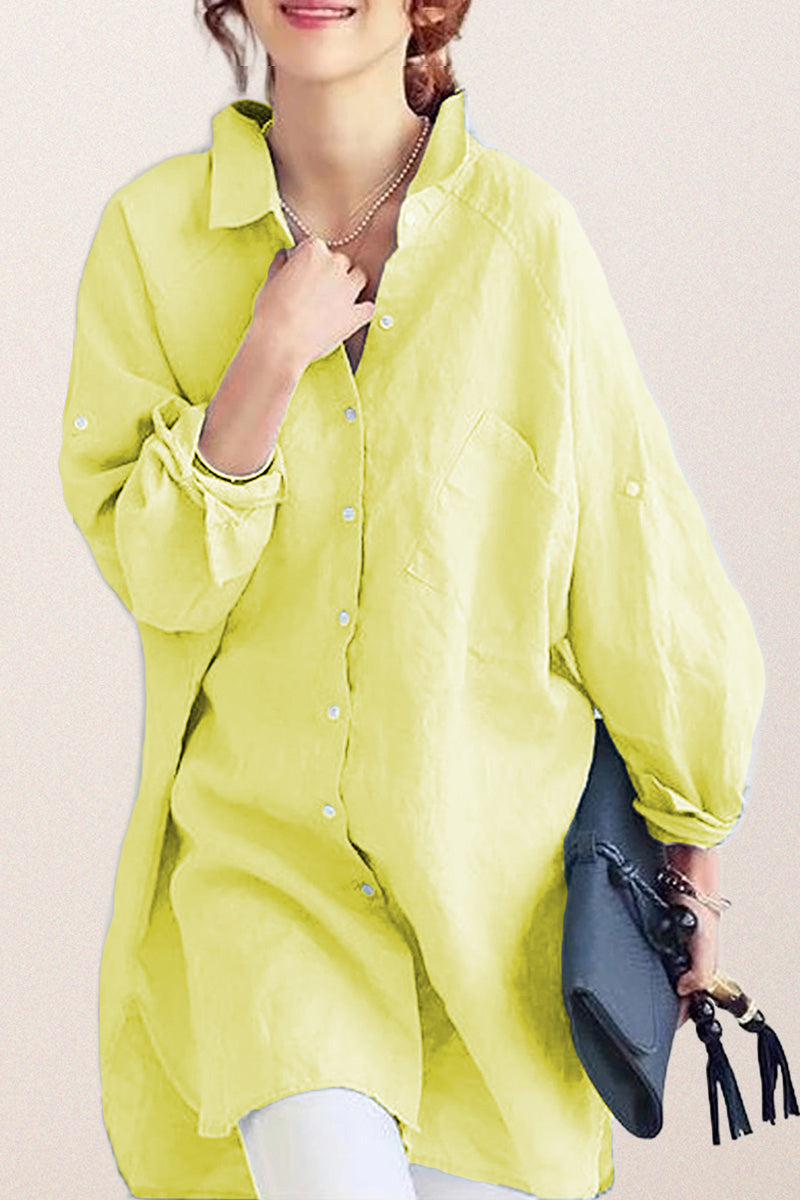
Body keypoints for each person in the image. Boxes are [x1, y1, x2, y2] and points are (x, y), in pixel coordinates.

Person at [58, 1, 765, 1197]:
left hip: (496, 918)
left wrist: (689, 854)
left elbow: (636, 565)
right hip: (266, 892)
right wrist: (265, 360)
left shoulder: (522, 242)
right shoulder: (153, 240)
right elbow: (164, 580)